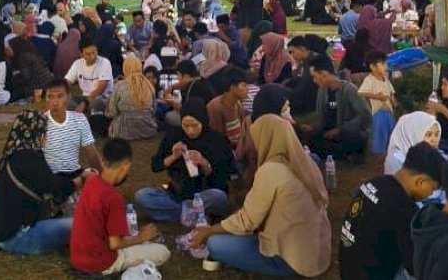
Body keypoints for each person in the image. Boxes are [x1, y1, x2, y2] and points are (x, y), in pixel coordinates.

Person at [189, 114, 331, 278]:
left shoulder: (271, 170)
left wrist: (209, 231)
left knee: (215, 244)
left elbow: (247, 221)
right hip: (317, 255)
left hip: (287, 260)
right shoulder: (306, 163)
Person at [339, 143, 446, 280]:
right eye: (433, 188)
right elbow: (417, 266)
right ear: (420, 181)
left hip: (349, 269)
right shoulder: (404, 209)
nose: (430, 193)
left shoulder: (375, 182)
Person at [0, 111, 87, 255]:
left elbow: (48, 179)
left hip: (5, 233)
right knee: (84, 224)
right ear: (38, 133)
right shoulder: (30, 158)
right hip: (19, 237)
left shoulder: (15, 154)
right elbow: (57, 188)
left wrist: (77, 173)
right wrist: (80, 180)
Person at [71, 138, 170, 275]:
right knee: (163, 252)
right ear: (126, 165)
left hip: (78, 259)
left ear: (103, 161)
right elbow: (115, 244)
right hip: (100, 264)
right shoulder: (113, 198)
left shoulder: (91, 182)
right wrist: (141, 237)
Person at [135, 98, 233, 222]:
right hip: (177, 194)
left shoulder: (217, 140)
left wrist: (205, 163)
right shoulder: (174, 136)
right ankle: (190, 213)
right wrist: (173, 156)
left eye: (195, 125)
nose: (190, 130)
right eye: (185, 125)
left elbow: (223, 179)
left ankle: (179, 213)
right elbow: (155, 166)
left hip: (204, 194)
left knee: (219, 197)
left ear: (203, 121)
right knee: (142, 196)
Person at [305, 53, 372, 160]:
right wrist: (313, 127)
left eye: (315, 77)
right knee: (309, 137)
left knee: (357, 138)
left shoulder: (349, 89)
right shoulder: (322, 91)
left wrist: (340, 129)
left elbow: (365, 116)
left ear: (323, 74)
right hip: (328, 133)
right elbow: (321, 118)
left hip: (345, 133)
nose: (314, 81)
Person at [41, 78, 102, 179]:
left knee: (92, 174)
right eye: (50, 97)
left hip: (74, 174)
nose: (55, 102)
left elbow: (92, 154)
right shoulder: (40, 122)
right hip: (49, 178)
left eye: (60, 96)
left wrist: (101, 178)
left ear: (68, 97)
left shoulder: (79, 120)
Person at [206, 69, 255, 180]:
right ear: (232, 88)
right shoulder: (216, 108)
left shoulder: (238, 105)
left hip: (239, 149)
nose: (247, 89)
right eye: (243, 86)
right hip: (225, 155)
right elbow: (215, 140)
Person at [104, 55, 157, 141]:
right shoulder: (149, 85)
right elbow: (153, 111)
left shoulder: (120, 86)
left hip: (122, 131)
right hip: (148, 129)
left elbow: (111, 112)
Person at [358, 50, 397, 156]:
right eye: (382, 64)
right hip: (378, 112)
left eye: (385, 63)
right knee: (379, 134)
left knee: (391, 133)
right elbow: (360, 92)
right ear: (373, 67)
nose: (385, 66)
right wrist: (376, 96)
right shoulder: (369, 80)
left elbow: (391, 93)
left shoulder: (386, 80)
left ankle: (388, 153)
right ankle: (378, 155)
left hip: (389, 112)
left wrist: (393, 100)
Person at [65, 38, 113, 115]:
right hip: (85, 96)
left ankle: (87, 119)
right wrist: (65, 92)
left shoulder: (104, 63)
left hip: (102, 98)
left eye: (94, 52)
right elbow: (66, 82)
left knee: (94, 106)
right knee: (66, 103)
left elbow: (100, 89)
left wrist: (84, 103)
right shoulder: (77, 64)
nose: (92, 56)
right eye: (88, 54)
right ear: (81, 54)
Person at [7, 37, 54, 102]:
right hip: (47, 86)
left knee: (14, 93)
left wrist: (11, 81)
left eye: (10, 47)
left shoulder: (24, 58)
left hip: (39, 88)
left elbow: (25, 77)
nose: (8, 50)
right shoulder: (31, 54)